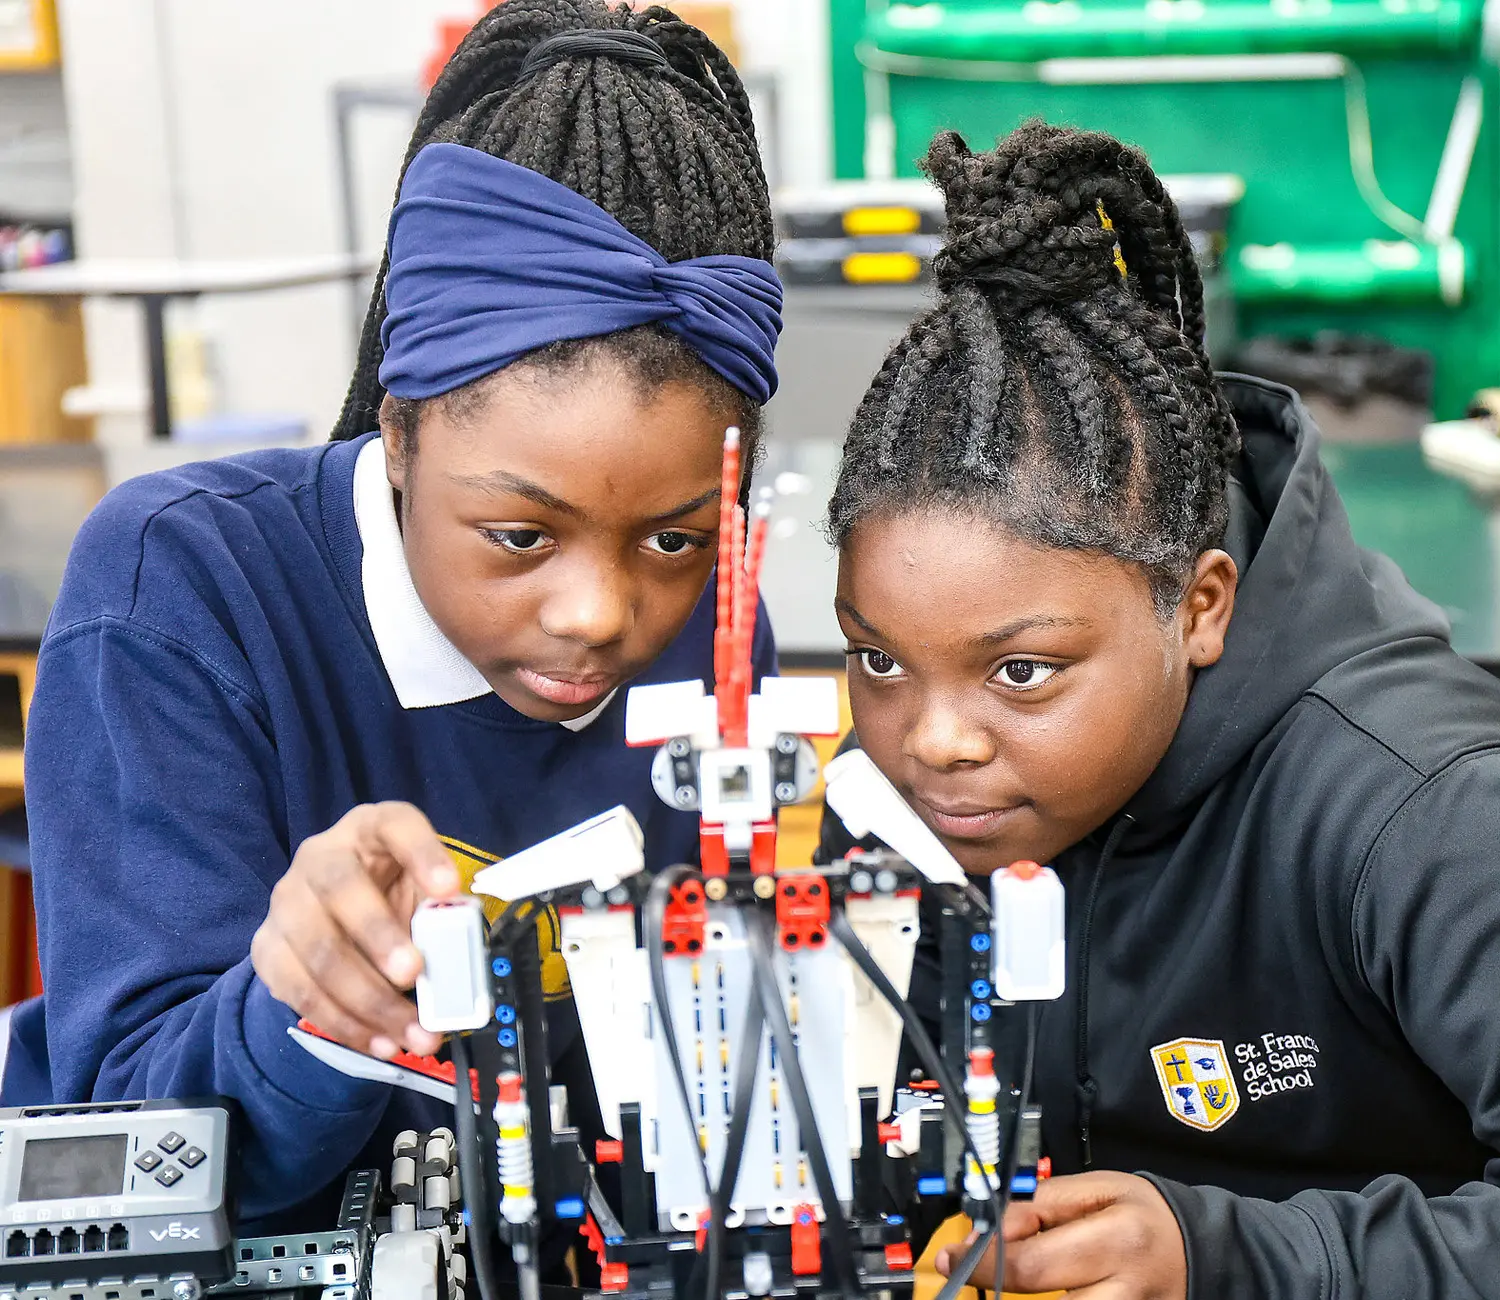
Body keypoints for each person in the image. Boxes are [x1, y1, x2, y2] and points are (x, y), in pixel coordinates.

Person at [2, 0, 780, 1260]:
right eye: (521, 536)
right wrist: (304, 1002)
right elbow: (123, 1137)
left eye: (674, 539)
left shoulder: (717, 607)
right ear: (401, 431)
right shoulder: (178, 591)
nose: (600, 614)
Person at [819, 122, 1500, 1298]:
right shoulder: (920, 767)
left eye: (1022, 672)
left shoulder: (1419, 808)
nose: (929, 743)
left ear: (1197, 606)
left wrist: (1231, 1261)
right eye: (875, 660)